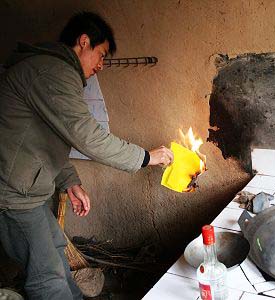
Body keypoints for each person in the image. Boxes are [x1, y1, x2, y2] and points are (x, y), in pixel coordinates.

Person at [0, 11, 174, 300]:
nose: (102, 65)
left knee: (56, 251)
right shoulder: (51, 72)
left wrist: (70, 181)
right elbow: (87, 136)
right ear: (84, 42)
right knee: (47, 277)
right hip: (11, 195)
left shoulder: (50, 71)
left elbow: (47, 139)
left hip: (26, 190)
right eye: (101, 54)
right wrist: (146, 157)